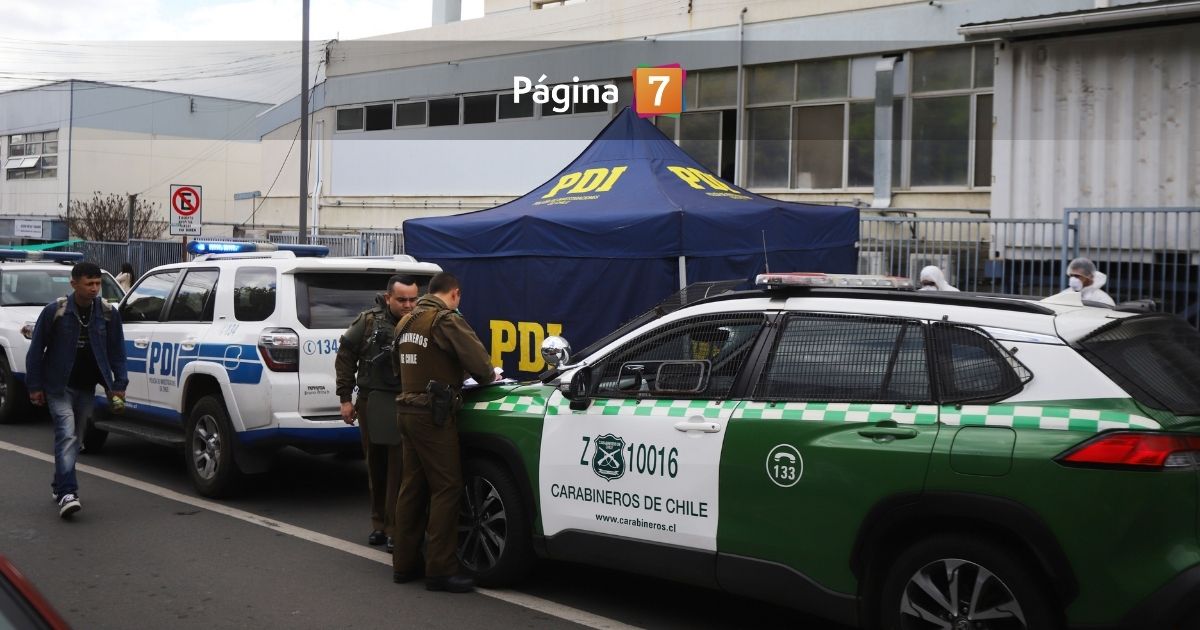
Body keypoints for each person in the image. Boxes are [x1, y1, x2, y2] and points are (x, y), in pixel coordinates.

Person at [390, 272, 496, 593]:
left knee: (412, 488)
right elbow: (483, 368)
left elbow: (398, 367)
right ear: (455, 293)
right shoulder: (445, 320)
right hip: (433, 414)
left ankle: (405, 564)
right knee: (447, 487)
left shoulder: (405, 322)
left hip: (406, 409)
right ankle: (441, 569)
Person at [25, 261, 128, 519]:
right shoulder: (55, 311)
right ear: (74, 284)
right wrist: (35, 386)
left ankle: (59, 483)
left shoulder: (108, 313)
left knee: (76, 439)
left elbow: (117, 352)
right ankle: (68, 493)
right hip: (58, 386)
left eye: (97, 283)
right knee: (67, 435)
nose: (94, 288)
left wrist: (119, 385)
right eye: (88, 283)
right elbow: (36, 350)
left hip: (87, 387)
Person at [334, 275, 420, 551]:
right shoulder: (368, 322)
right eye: (402, 300)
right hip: (373, 401)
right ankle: (379, 524)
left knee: (400, 468)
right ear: (388, 298)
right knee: (375, 464)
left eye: (413, 299)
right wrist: (345, 399)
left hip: (406, 402)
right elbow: (345, 356)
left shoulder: (421, 322)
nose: (408, 305)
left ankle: (395, 527)